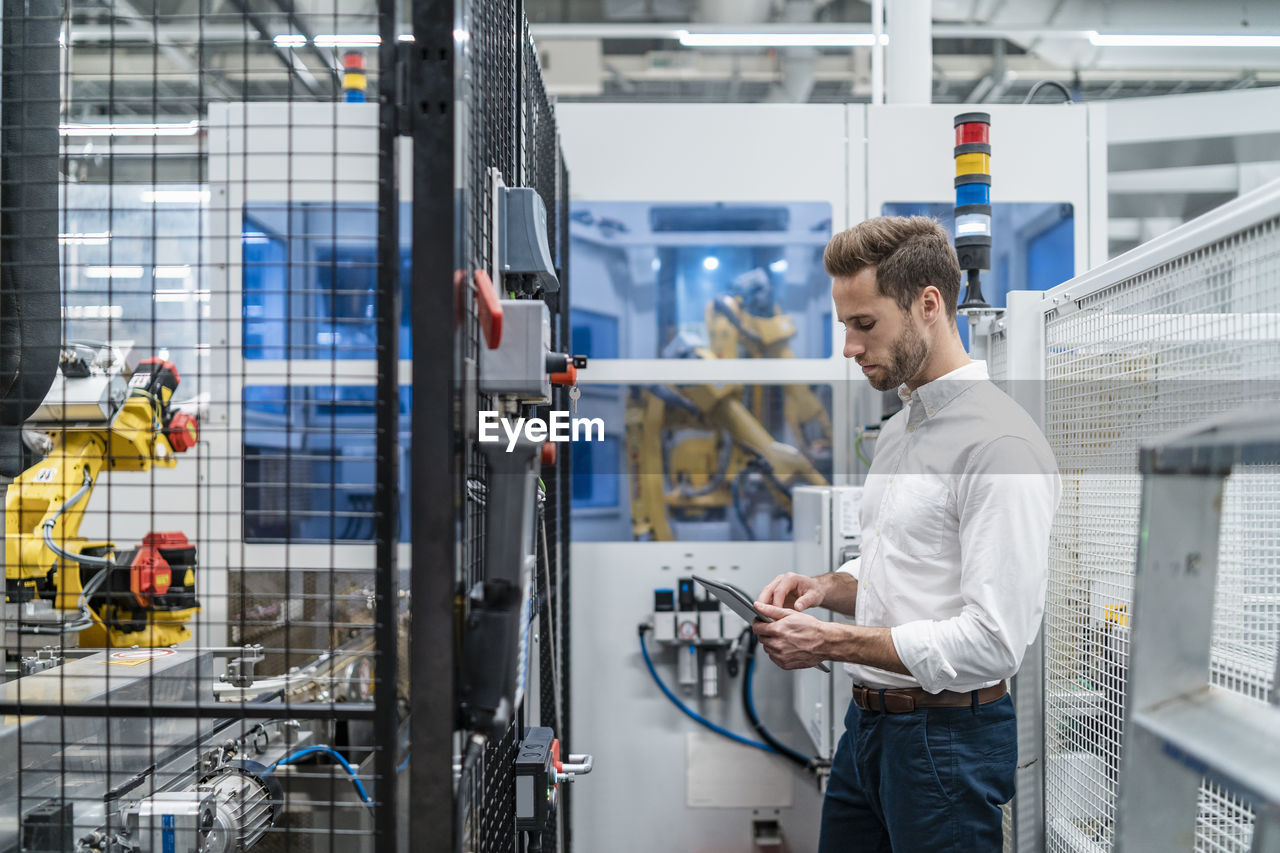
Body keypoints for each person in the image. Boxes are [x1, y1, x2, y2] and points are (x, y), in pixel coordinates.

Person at [752, 216, 1060, 852]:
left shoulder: (998, 443)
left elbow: (992, 641)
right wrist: (824, 588)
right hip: (867, 730)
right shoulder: (901, 430)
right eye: (845, 326)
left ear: (928, 305)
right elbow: (895, 561)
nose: (849, 347)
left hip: (947, 745)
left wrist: (832, 644)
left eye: (865, 325)